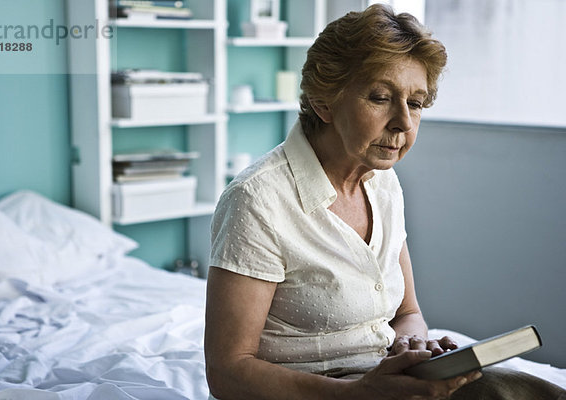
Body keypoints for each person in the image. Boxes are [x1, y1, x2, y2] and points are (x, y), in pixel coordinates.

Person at [205, 4, 566, 400]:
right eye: (380, 97)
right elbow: (229, 372)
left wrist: (413, 349)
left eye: (415, 103)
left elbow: (407, 314)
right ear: (324, 102)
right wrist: (357, 394)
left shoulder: (384, 184)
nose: (404, 124)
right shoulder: (257, 200)